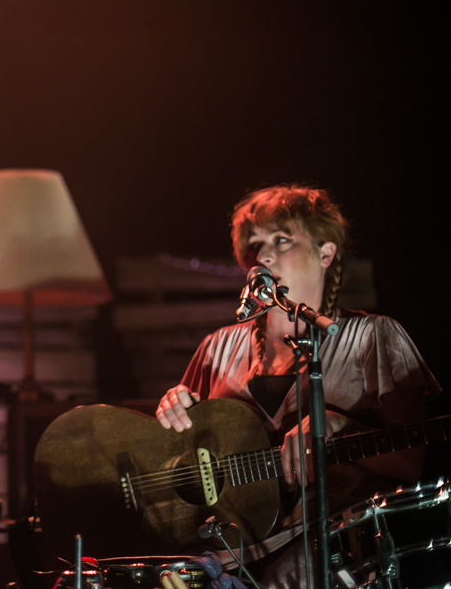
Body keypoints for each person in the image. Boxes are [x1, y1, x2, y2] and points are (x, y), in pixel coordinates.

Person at [155, 185, 441, 588]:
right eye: (254, 246)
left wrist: (336, 427)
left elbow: (411, 462)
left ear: (325, 253)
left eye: (281, 239)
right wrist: (174, 409)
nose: (263, 255)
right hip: (225, 549)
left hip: (331, 549)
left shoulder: (373, 337)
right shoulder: (216, 348)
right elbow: (177, 460)